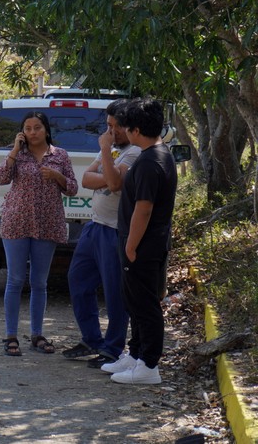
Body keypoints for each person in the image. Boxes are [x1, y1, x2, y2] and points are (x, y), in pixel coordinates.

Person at [103, 98, 178, 385]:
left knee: (145, 305)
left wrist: (131, 245)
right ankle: (135, 356)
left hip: (144, 246)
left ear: (134, 130)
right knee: (133, 302)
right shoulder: (158, 153)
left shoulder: (150, 161)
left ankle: (148, 365)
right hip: (144, 243)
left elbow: (143, 209)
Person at [63, 100, 140, 368]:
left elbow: (116, 182)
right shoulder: (113, 150)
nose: (108, 133)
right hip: (93, 226)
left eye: (114, 127)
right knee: (78, 281)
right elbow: (86, 179)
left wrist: (105, 154)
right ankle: (91, 339)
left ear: (129, 128)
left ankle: (112, 347)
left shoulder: (133, 152)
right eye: (107, 126)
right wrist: (107, 170)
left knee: (114, 292)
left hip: (114, 231)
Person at [0, 111, 78, 357]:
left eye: (37, 128)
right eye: (28, 128)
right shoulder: (17, 155)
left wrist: (57, 176)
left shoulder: (59, 155)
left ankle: (37, 334)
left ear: (46, 130)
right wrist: (13, 150)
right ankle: (10, 335)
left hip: (47, 223)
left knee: (40, 282)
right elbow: (1, 178)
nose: (32, 132)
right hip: (16, 222)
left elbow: (73, 188)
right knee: (15, 280)